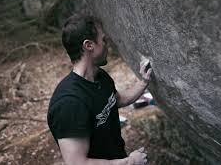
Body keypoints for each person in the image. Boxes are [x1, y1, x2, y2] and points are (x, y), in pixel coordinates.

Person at [47, 13, 152, 165]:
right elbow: (78, 162)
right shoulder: (69, 103)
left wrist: (144, 82)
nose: (107, 42)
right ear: (88, 45)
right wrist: (129, 162)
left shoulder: (100, 77)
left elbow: (118, 100)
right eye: (103, 39)